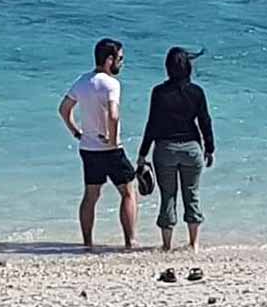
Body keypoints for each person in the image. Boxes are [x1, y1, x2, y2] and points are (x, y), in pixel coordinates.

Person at [58, 37, 138, 251]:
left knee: (91, 195)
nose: (121, 63)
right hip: (111, 149)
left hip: (88, 148)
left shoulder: (82, 81)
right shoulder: (112, 84)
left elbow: (63, 109)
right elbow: (113, 115)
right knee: (128, 193)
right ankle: (130, 241)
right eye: (120, 58)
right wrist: (112, 139)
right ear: (109, 59)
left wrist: (76, 132)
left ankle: (87, 242)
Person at [137, 46, 214, 253]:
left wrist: (143, 153)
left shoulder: (159, 92)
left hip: (165, 150)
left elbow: (152, 124)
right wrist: (209, 148)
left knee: (167, 197)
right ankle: (194, 244)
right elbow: (205, 121)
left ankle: (166, 245)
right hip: (191, 150)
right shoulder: (196, 92)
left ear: (167, 68)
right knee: (192, 195)